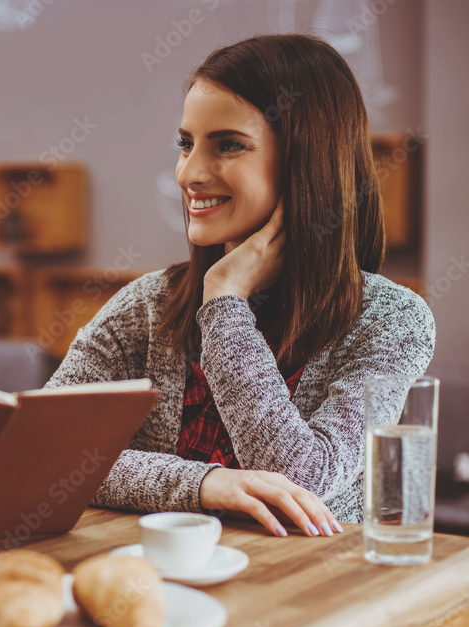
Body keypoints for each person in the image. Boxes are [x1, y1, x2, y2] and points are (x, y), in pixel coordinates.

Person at [47, 34, 435, 537]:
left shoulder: (392, 320)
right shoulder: (146, 305)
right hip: (168, 596)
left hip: (303, 600)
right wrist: (206, 484)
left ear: (307, 161)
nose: (190, 173)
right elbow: (45, 454)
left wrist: (226, 304)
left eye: (228, 145)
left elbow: (305, 480)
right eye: (186, 144)